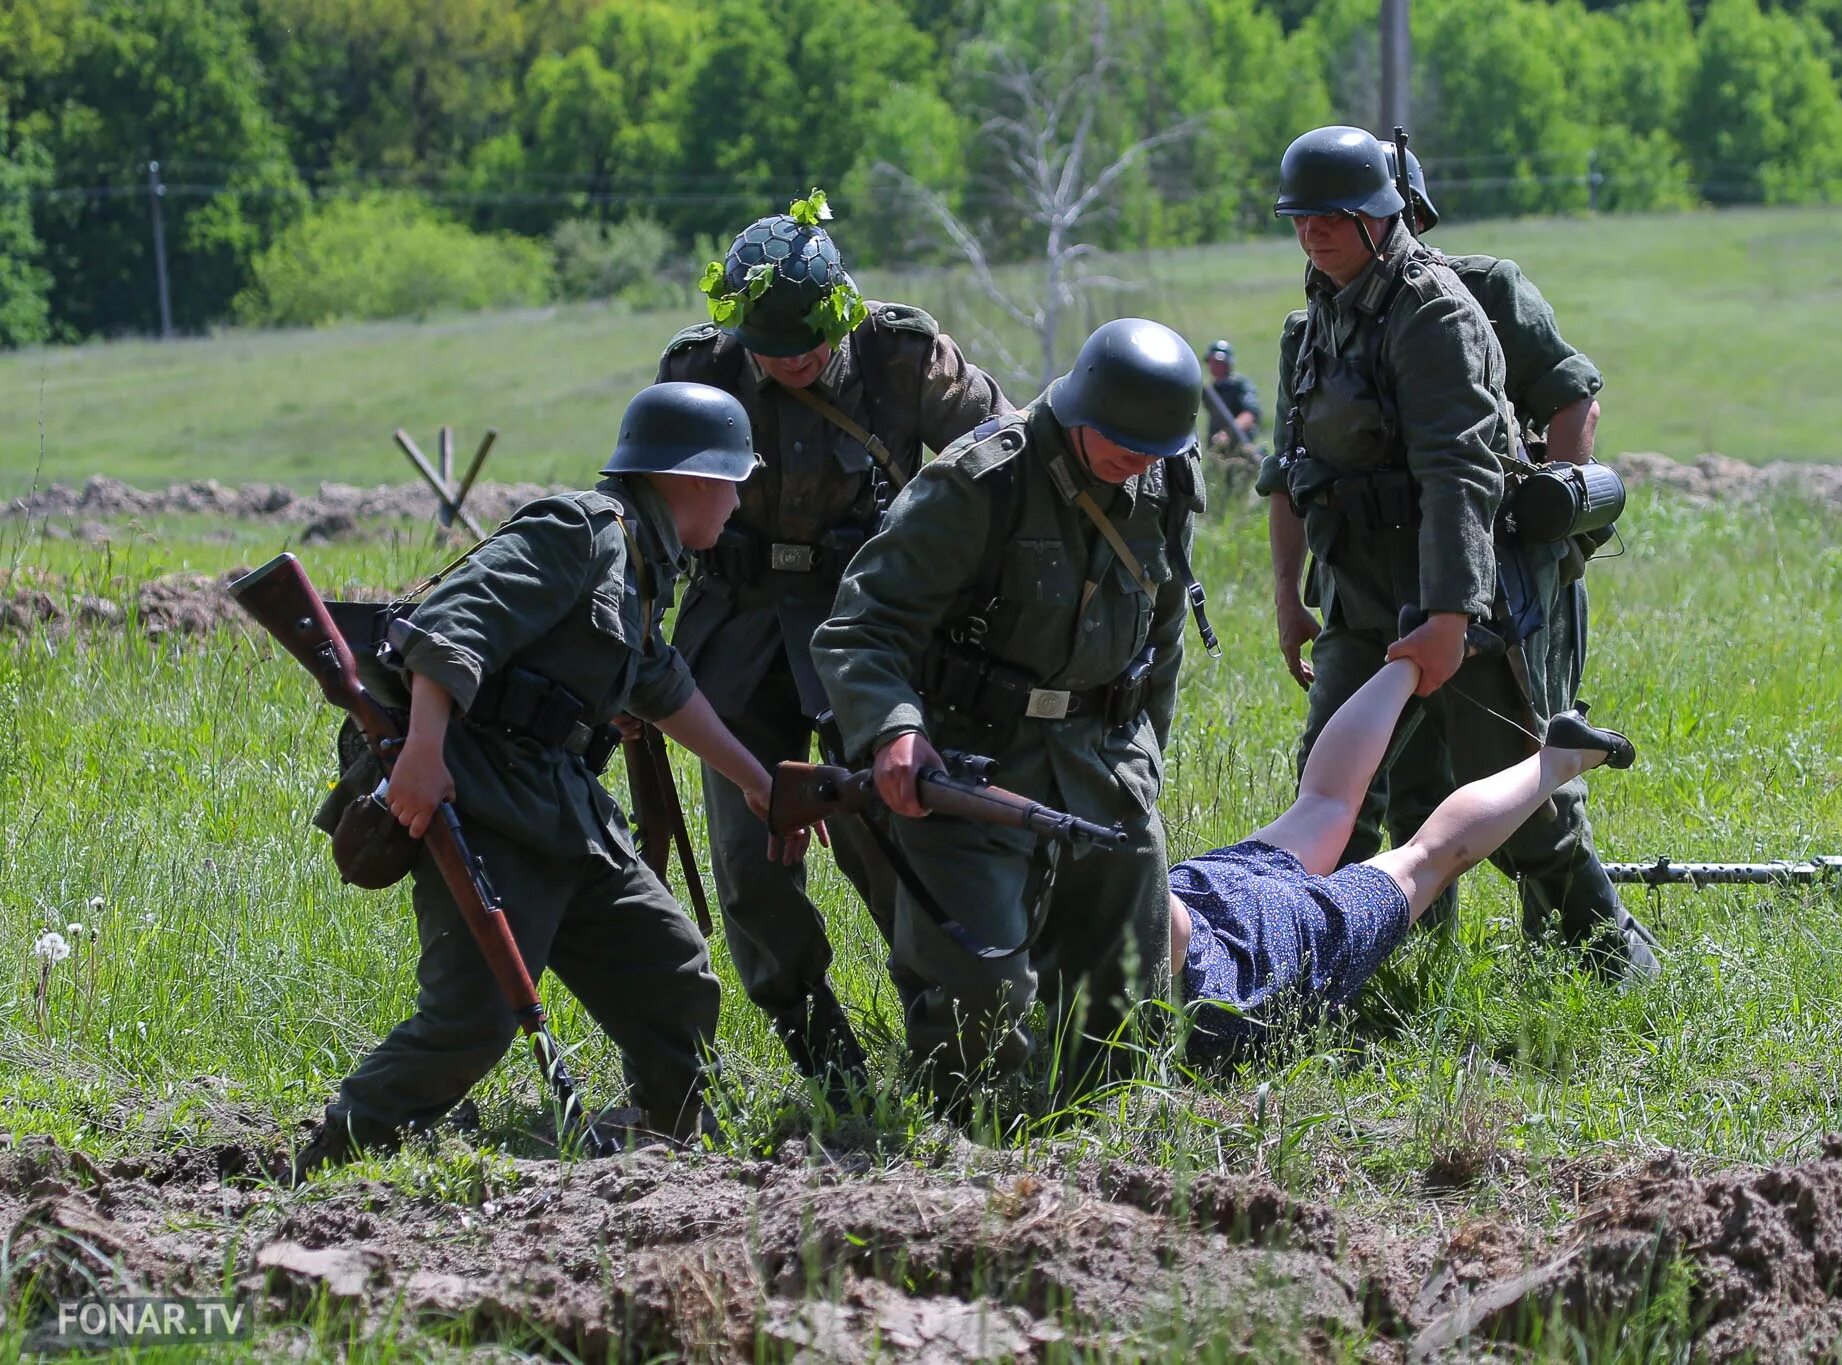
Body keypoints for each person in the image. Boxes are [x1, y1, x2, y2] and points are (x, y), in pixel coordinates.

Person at [293, 382, 795, 1182]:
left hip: (561, 804)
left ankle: (661, 1154)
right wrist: (423, 755)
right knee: (471, 1024)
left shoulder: (641, 562)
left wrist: (756, 779)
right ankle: (325, 1165)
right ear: (693, 477)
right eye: (733, 480)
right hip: (484, 795)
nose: (739, 500)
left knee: (672, 972)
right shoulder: (579, 530)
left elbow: (660, 683)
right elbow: (451, 624)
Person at [1261, 125, 1656, 978]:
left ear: (1380, 215)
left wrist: (1451, 614)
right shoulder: (1314, 325)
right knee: (1333, 795)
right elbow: (1288, 473)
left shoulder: (1439, 311)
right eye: (1301, 216)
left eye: (1332, 214)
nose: (1311, 231)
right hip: (1360, 597)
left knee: (1515, 799)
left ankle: (1609, 962)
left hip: (1462, 599)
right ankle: (1338, 970)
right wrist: (1292, 598)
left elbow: (1458, 471)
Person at [656, 194, 1009, 1089]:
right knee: (750, 859)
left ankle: (946, 1046)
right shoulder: (702, 371)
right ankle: (824, 1059)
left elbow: (1006, 459)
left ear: (843, 311)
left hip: (869, 624)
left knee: (896, 830)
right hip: (738, 630)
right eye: (775, 349)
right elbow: (648, 510)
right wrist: (629, 658)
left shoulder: (901, 359)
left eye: (813, 342)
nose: (797, 360)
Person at [812, 317, 1206, 1091]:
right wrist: (894, 731)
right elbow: (861, 625)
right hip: (971, 761)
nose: (1138, 463)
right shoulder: (982, 481)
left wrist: (1143, 763)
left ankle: (1094, 1157)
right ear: (1081, 409)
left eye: (1154, 449)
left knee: (1123, 1012)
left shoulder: (1163, 481)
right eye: (1122, 442)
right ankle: (962, 1152)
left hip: (1101, 760)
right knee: (975, 1007)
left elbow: (1161, 641)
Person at [1171, 634, 1635, 1053]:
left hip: (1230, 975)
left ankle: (1559, 759)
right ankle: (1418, 658)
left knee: (1425, 859)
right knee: (1322, 804)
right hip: (1195, 892)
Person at [1368, 141, 1610, 930]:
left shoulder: (1484, 290)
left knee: (1522, 753)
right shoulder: (1342, 316)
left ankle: (1571, 936)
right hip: (1398, 575)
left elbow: (1574, 398)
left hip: (1510, 570)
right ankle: (1418, 944)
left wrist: (1556, 535)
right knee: (1409, 775)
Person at [1203, 339, 1263, 449]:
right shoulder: (1210, 390)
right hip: (1217, 449)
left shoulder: (1240, 385)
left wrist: (1228, 433)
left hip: (1240, 447)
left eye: (1218, 362)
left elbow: (1250, 413)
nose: (1214, 365)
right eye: (1211, 361)